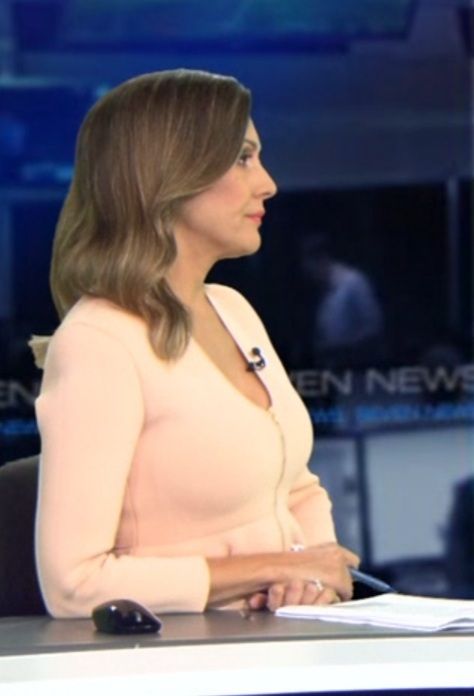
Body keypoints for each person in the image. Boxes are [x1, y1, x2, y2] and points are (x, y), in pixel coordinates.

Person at [32, 69, 358, 618]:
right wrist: (277, 568)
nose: (268, 184)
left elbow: (296, 488)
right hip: (176, 654)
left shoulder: (232, 309)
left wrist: (313, 578)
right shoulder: (99, 340)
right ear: (169, 174)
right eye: (243, 158)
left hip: (283, 637)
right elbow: (74, 584)